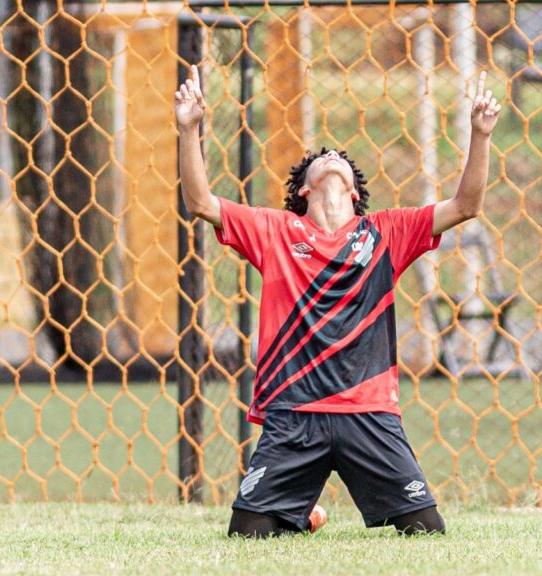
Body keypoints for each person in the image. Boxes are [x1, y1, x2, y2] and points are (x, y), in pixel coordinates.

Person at [174, 64, 501, 537]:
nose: (331, 156)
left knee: (426, 530)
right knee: (247, 535)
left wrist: (481, 135)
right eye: (320, 157)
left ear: (354, 189)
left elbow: (466, 206)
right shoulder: (276, 231)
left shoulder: (386, 232)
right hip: (294, 412)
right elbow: (201, 203)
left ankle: (302, 508)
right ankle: (302, 512)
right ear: (304, 188)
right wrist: (189, 130)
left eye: (340, 159)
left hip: (368, 413)